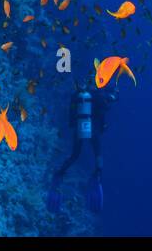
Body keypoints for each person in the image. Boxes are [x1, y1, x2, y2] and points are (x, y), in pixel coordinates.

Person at [46, 81, 116, 213]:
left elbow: (71, 113)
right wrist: (110, 98)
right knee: (98, 154)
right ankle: (97, 176)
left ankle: (59, 174)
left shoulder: (79, 95)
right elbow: (104, 108)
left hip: (79, 129)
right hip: (93, 131)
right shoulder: (99, 94)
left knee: (74, 155)